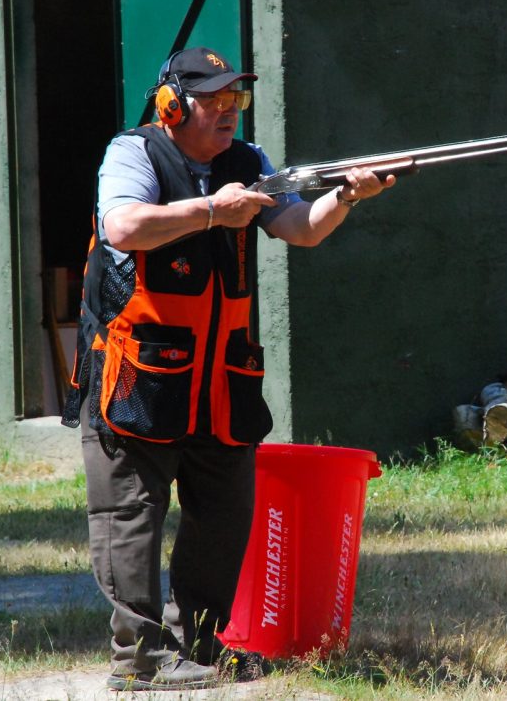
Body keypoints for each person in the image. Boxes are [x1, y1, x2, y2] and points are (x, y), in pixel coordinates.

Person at [61, 46, 393, 691]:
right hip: (137, 378)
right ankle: (140, 660)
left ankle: (201, 646)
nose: (228, 110)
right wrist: (213, 210)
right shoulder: (134, 153)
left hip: (219, 384)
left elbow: (300, 227)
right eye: (212, 99)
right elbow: (123, 226)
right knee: (131, 518)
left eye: (234, 98)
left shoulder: (247, 163)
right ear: (171, 106)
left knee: (224, 516)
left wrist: (346, 196)